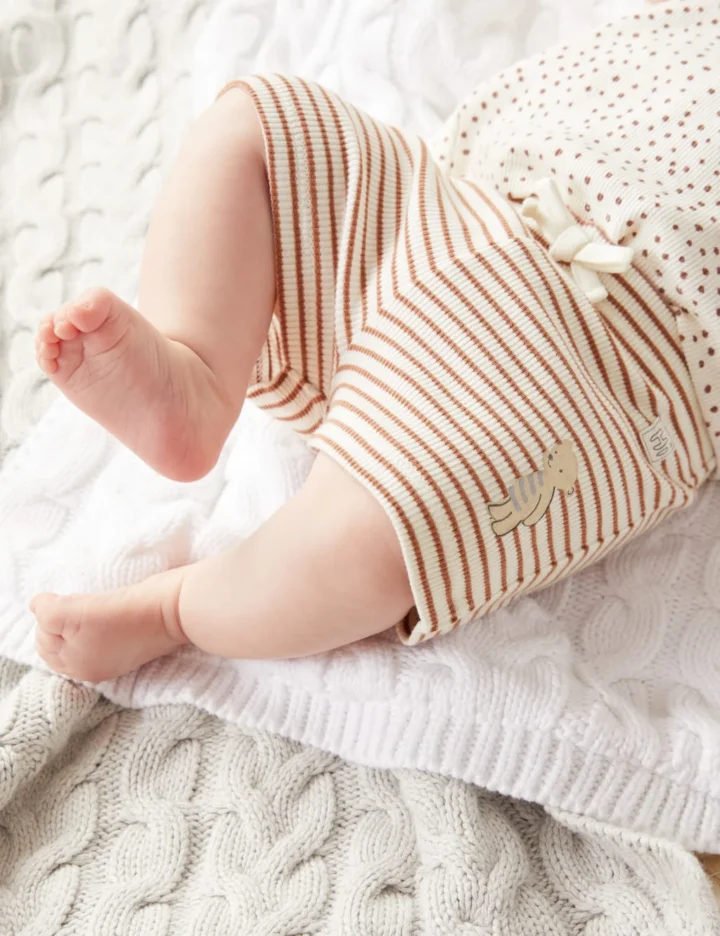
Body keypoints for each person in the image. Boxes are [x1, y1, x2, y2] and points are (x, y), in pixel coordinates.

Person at [31, 3, 719, 683]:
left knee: (401, 531)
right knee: (259, 122)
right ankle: (194, 371)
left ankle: (178, 608)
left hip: (612, 358)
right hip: (450, 210)